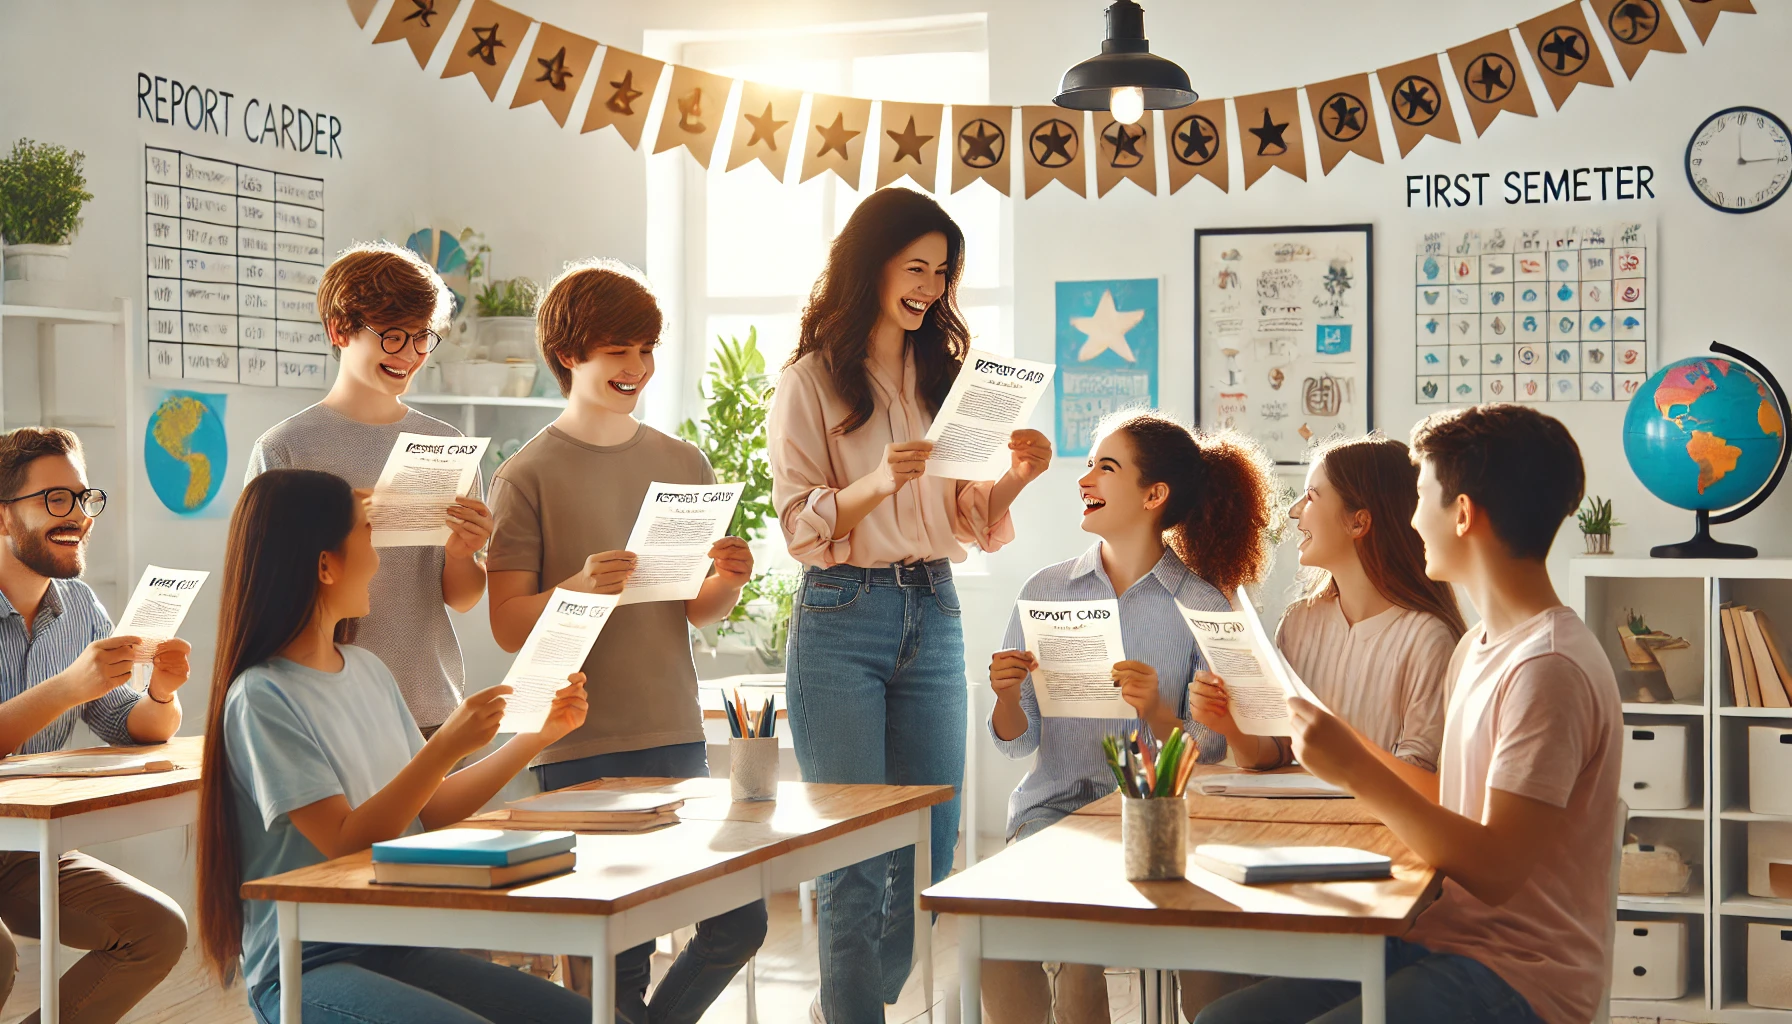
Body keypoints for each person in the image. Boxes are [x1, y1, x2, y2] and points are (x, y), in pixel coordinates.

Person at [1196, 404, 1621, 1024]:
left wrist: (1356, 769)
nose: (1413, 519)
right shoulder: (1480, 647)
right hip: (1435, 938)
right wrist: (1344, 745)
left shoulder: (1547, 669)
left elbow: (1497, 870)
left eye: (1421, 498)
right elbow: (1452, 804)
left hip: (1518, 974)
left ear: (1464, 514)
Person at [767, 187, 1053, 1024]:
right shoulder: (810, 379)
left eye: (942, 272)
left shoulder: (947, 374)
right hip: (840, 614)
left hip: (933, 605)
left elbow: (967, 514)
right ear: (872, 265)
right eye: (915, 266)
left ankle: (844, 1006)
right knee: (851, 855)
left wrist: (1018, 475)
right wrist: (876, 481)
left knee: (928, 847)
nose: (929, 286)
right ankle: (856, 1015)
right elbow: (797, 525)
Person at [195, 468, 592, 1024]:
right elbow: (344, 841)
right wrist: (446, 744)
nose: (378, 559)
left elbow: (426, 812)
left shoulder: (367, 669)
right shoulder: (260, 696)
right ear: (325, 564)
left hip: (398, 940)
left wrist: (535, 737)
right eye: (365, 535)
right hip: (307, 962)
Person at [485, 259, 765, 1021]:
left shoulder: (683, 463)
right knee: (618, 953)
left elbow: (686, 611)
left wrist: (728, 581)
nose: (637, 368)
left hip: (674, 725)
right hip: (577, 738)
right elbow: (507, 620)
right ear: (570, 354)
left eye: (646, 349)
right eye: (619, 351)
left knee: (741, 920)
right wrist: (575, 588)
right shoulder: (525, 476)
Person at [981, 413, 1276, 1024]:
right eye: (1089, 464)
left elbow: (1214, 750)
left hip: (1155, 820)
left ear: (1153, 495)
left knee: (1093, 939)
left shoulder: (1200, 602)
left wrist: (1160, 713)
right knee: (995, 934)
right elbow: (1018, 741)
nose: (1084, 477)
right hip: (1051, 814)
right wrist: (1008, 697)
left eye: (1104, 467)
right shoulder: (1046, 589)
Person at [1178, 434, 1467, 1017]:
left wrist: (1340, 752)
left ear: (1360, 521)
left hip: (1379, 867)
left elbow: (1419, 776)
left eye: (1310, 497)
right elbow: (1275, 755)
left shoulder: (1427, 637)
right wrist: (1234, 726)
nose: (1293, 513)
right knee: (1203, 942)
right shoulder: (1300, 623)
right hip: (1292, 842)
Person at [245, 242, 491, 735]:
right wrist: (343, 526)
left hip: (430, 705)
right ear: (341, 330)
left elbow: (461, 598)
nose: (411, 355)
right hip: (327, 710)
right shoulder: (287, 450)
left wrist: (464, 553)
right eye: (394, 336)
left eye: (423, 338)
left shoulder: (446, 446)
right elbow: (265, 598)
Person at [0, 427, 188, 1024]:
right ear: (3, 518)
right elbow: (76, 694)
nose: (78, 514)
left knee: (156, 931)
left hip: (20, 846)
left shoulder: (80, 608)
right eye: (55, 499)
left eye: (84, 498)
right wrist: (68, 687)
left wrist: (161, 690)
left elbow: (131, 726)